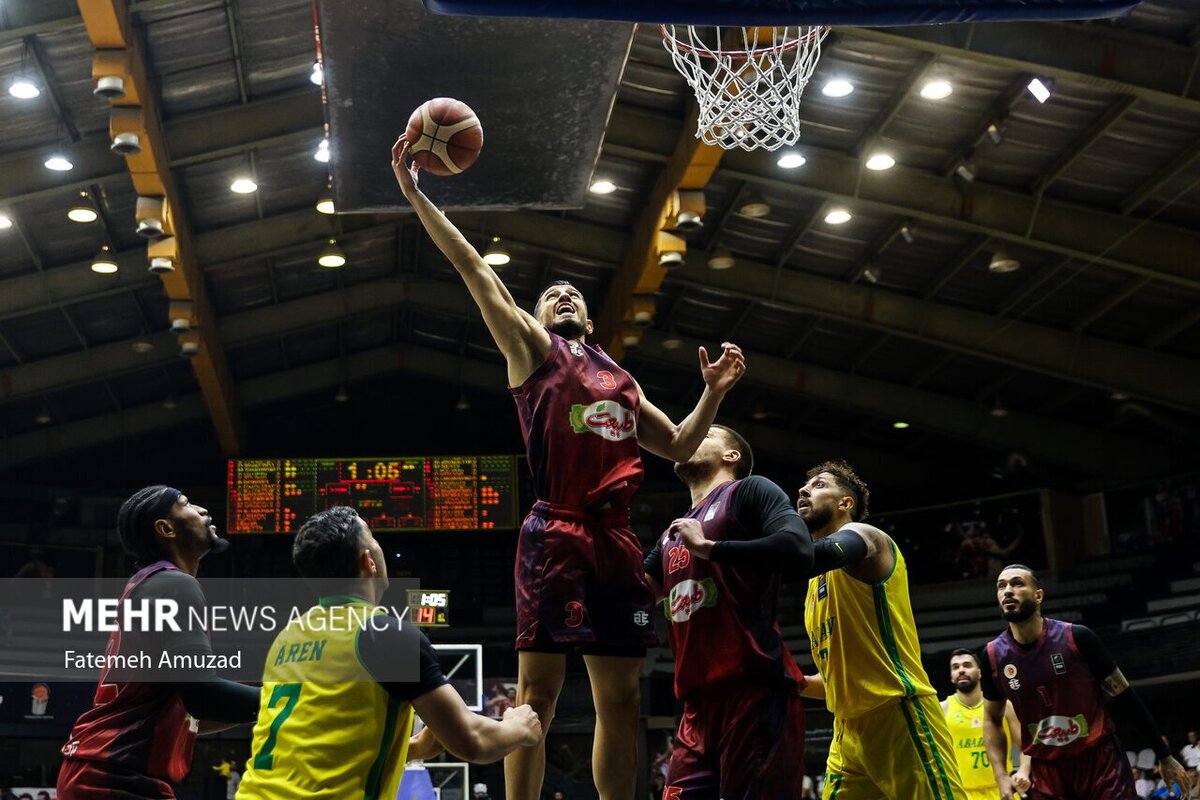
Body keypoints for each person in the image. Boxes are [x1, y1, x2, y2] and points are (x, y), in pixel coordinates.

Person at [392, 137, 746, 800]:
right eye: (549, 293)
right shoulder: (531, 349)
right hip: (556, 532)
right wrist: (417, 194)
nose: (561, 296)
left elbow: (674, 446)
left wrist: (714, 392)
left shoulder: (620, 378)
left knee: (619, 699)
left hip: (616, 539)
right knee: (539, 695)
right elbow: (474, 269)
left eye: (571, 293)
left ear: (588, 312)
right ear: (531, 315)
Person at [236, 506, 540, 799]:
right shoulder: (384, 635)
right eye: (375, 539)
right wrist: (520, 727)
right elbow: (474, 742)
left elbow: (323, 741)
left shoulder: (285, 639)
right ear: (368, 560)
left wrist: (415, 747)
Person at [57, 486, 260, 799]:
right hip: (113, 775)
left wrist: (265, 705)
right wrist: (287, 698)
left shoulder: (152, 584)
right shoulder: (174, 584)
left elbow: (192, 713)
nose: (204, 511)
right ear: (165, 529)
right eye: (187, 504)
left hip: (102, 771)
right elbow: (202, 694)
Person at [644, 425, 813, 797]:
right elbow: (635, 595)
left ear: (731, 456)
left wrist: (710, 548)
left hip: (753, 691)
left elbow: (798, 547)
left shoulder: (750, 490)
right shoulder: (672, 533)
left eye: (704, 433)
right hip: (696, 707)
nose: (688, 434)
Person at [796, 461, 966, 799]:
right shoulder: (815, 583)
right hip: (846, 729)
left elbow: (823, 552)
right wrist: (786, 678)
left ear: (846, 503)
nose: (803, 490)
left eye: (818, 485)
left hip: (898, 714)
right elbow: (834, 680)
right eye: (805, 486)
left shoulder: (866, 536)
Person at [981, 565, 1193, 800]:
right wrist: (1001, 777)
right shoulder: (992, 656)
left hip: (1101, 764)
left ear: (1038, 596)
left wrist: (1163, 754)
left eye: (1017, 583)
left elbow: (1126, 696)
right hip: (1047, 773)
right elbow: (992, 719)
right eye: (1001, 586)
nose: (1007, 591)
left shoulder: (1077, 638)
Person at [942, 648, 1029, 800]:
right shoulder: (942, 709)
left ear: (980, 672)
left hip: (1002, 790)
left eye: (967, 665)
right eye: (955, 667)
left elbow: (1027, 746)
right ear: (951, 676)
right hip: (962, 793)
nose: (961, 670)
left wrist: (1023, 770)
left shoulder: (1003, 706)